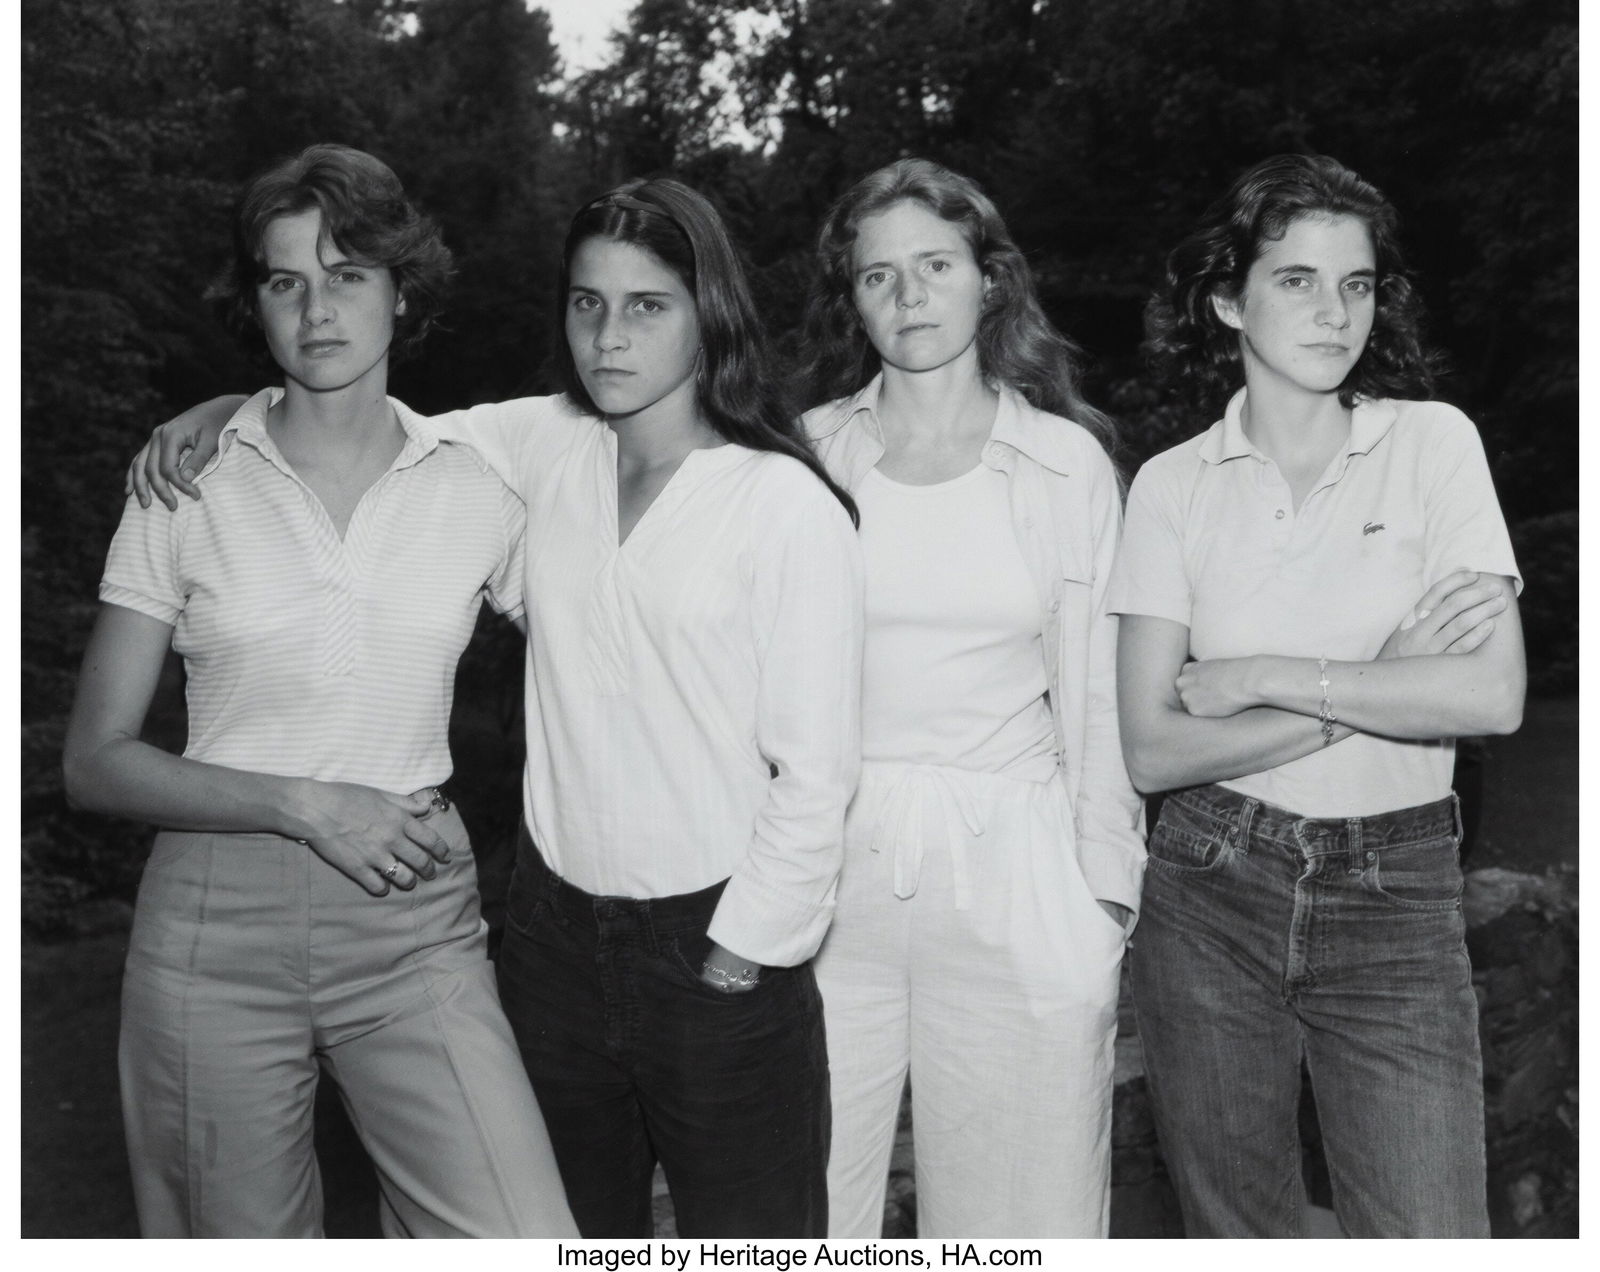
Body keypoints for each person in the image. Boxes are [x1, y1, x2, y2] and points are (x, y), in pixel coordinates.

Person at [126, 176, 865, 1239]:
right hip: (553, 950)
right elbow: (362, 422)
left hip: (719, 940)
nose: (609, 336)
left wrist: (742, 950)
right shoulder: (544, 449)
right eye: (585, 303)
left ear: (709, 311)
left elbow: (820, 771)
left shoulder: (781, 503)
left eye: (646, 305)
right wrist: (217, 415)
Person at [63, 144, 577, 1237]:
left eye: (347, 275)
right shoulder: (185, 484)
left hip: (412, 917)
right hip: (213, 924)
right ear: (255, 303)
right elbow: (95, 761)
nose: (318, 309)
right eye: (285, 280)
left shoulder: (476, 484)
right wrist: (300, 801)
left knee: (521, 1239)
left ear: (402, 287)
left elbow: (614, 646)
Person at [1107, 153, 1524, 1238]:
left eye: (1356, 283)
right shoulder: (1169, 486)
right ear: (1226, 300)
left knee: (1430, 1234)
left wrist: (1259, 681)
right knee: (1238, 1232)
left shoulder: (1431, 445)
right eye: (1295, 280)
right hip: (1207, 888)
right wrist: (1381, 675)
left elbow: (1490, 694)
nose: (1334, 311)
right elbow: (1151, 751)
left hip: (1397, 886)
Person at [796, 157, 1144, 1238]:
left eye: (934, 265)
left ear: (988, 278)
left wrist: (1100, 903)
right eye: (877, 276)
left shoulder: (1062, 464)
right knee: (804, 1211)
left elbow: (1097, 693)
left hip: (1014, 866)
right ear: (849, 297)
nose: (907, 297)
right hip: (831, 877)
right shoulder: (804, 455)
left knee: (1021, 1224)